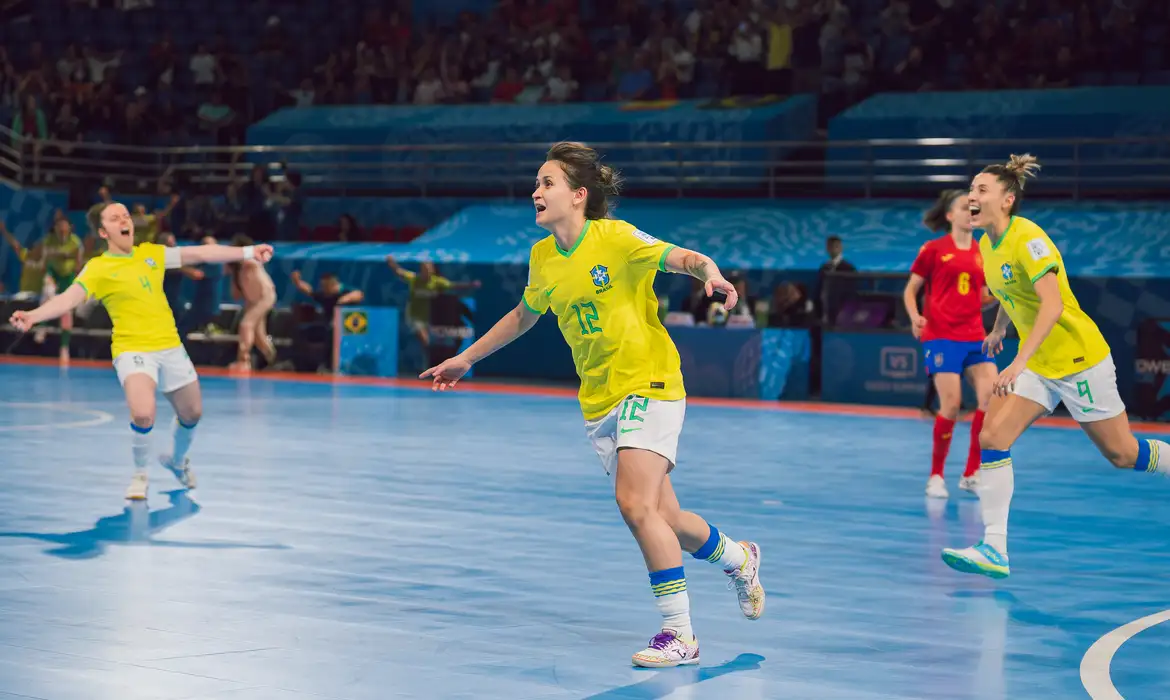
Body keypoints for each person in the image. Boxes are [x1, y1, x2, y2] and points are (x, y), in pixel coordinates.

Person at [420, 141, 765, 668]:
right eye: (536, 184)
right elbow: (523, 315)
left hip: (649, 382)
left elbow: (684, 258)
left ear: (579, 196)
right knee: (666, 516)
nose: (535, 192)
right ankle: (739, 558)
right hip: (599, 398)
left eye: (547, 183)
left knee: (634, 504)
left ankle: (679, 634)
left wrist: (711, 274)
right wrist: (466, 358)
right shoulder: (542, 258)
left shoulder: (618, 238)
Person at [940, 154, 1170, 579]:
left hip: (1078, 361)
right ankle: (994, 548)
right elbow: (1014, 294)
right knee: (992, 435)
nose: (971, 196)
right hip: (1040, 364)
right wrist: (999, 329)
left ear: (1007, 200)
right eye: (971, 189)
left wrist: (1018, 361)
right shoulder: (986, 244)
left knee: (1122, 453)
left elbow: (1051, 303)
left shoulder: (1029, 238)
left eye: (981, 190)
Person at [9, 202, 275, 500]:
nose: (124, 220)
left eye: (126, 215)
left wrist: (248, 252)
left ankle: (177, 460)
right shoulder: (98, 267)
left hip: (170, 346)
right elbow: (69, 298)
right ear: (103, 231)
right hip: (132, 348)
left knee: (192, 414)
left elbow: (201, 253)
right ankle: (140, 475)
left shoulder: (150, 253)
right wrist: (34, 315)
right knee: (143, 413)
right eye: (115, 217)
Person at [903, 190, 997, 499]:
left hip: (974, 335)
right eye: (963, 207)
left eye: (973, 207)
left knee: (990, 399)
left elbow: (982, 298)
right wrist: (915, 315)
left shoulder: (984, 251)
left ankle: (972, 473)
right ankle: (936, 476)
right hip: (941, 335)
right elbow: (911, 289)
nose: (971, 211)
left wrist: (1005, 294)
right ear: (950, 216)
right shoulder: (933, 249)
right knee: (952, 405)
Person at [227, 234, 277, 371]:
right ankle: (273, 360)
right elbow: (236, 296)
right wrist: (232, 274)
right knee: (259, 337)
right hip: (253, 302)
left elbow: (251, 262)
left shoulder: (251, 260)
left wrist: (231, 258)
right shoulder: (238, 270)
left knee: (245, 324)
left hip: (265, 297)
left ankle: (244, 361)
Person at [42, 216, 83, 364]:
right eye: (59, 226)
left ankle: (64, 348)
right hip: (53, 274)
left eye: (64, 226)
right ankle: (42, 326)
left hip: (68, 277)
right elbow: (45, 259)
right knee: (47, 292)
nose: (62, 229)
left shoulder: (75, 242)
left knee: (66, 311)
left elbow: (78, 263)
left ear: (70, 228)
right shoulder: (49, 240)